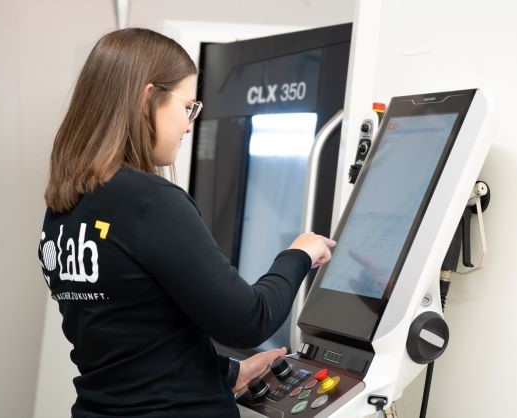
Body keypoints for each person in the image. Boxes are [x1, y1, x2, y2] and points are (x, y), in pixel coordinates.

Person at [38, 28, 335, 418]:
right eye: (188, 107)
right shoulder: (150, 202)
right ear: (148, 99)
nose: (189, 124)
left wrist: (226, 373)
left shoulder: (65, 203)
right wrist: (297, 255)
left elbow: (125, 343)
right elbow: (248, 321)